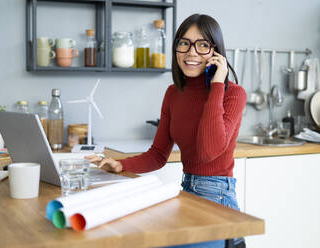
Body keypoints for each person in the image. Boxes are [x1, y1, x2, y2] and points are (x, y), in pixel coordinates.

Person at [87, 14, 246, 248]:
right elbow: (158, 154)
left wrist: (216, 85)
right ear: (176, 49)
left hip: (218, 198)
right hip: (186, 193)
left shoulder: (233, 94)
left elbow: (208, 152)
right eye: (184, 43)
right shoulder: (173, 93)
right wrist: (121, 164)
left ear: (216, 52)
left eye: (202, 45)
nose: (191, 53)